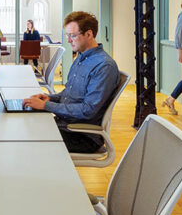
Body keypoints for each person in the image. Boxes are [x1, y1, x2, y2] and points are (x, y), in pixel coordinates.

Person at [22, 11, 120, 153]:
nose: (68, 40)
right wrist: (49, 98)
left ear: (89, 34)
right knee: (24, 126)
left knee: (27, 139)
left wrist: (46, 105)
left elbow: (88, 110)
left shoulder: (104, 66)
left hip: (82, 135)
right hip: (66, 124)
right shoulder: (80, 58)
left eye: (72, 35)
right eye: (67, 35)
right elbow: (69, 93)